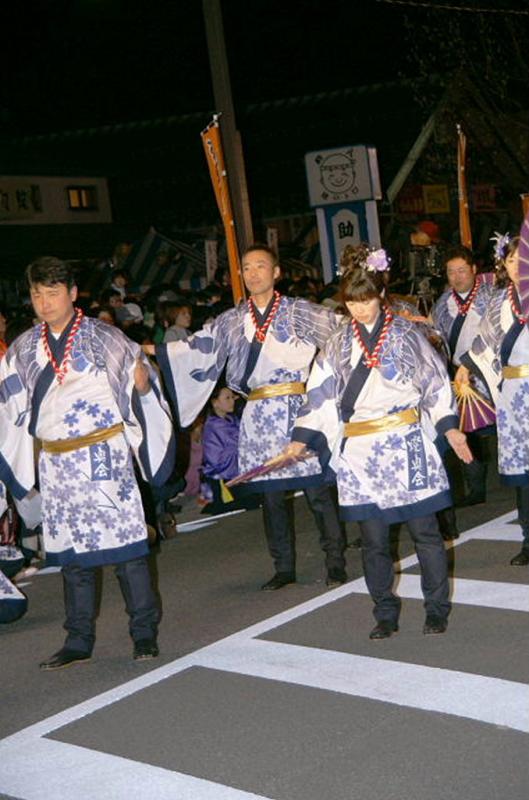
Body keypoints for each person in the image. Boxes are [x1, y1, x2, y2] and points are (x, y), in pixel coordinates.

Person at [285, 244, 472, 638]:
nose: (360, 309)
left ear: (381, 294)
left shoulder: (407, 334)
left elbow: (436, 384)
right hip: (361, 450)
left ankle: (436, 608)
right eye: (352, 302)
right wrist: (300, 439)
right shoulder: (337, 343)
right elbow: (318, 393)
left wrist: (450, 428)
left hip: (406, 441)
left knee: (425, 531)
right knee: (373, 540)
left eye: (366, 299)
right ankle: (384, 611)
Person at [0, 257, 175, 669]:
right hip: (57, 463)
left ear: (73, 293)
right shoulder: (23, 348)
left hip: (103, 457)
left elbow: (141, 378)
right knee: (72, 556)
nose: (45, 302)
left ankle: (144, 632)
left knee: (127, 551)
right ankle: (78, 639)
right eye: (37, 294)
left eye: (53, 293)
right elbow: (8, 405)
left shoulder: (106, 337)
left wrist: (143, 385)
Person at [146, 244, 347, 589]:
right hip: (257, 413)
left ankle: (335, 562)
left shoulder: (299, 311)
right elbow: (197, 346)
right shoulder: (231, 319)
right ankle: (283, 567)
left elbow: (343, 332)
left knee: (317, 492)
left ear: (276, 272)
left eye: (261, 266)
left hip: (299, 411)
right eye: (247, 267)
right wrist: (152, 350)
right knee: (271, 497)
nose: (253, 273)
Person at [456, 234, 529, 566]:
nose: (517, 266)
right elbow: (483, 342)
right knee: (524, 472)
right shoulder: (500, 301)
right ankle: (528, 539)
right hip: (514, 394)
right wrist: (465, 367)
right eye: (511, 260)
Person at [431, 246, 494, 508]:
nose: (456, 277)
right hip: (459, 374)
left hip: (490, 370)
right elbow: (438, 336)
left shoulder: (491, 296)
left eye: (461, 270)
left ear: (474, 270)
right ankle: (476, 487)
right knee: (465, 426)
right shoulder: (443, 303)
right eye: (451, 272)